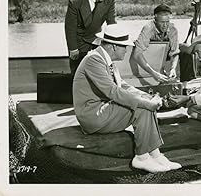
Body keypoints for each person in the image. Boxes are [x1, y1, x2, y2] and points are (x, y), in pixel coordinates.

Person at [73, 24, 181, 173]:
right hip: (92, 115)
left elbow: (123, 86)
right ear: (113, 47)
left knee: (145, 102)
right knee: (142, 107)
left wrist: (146, 96)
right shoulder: (94, 60)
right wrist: (144, 102)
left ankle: (155, 154)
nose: (127, 50)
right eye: (124, 46)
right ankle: (141, 158)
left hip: (104, 109)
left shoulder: (106, 60)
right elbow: (112, 91)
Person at [65, 0, 117, 75]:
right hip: (79, 41)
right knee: (77, 72)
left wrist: (114, 42)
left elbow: (111, 23)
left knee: (99, 71)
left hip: (97, 39)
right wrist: (73, 49)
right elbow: (70, 28)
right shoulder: (75, 2)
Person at [132, 4, 180, 83]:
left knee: (185, 51)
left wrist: (173, 69)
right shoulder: (148, 28)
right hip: (149, 56)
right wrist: (153, 73)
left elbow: (175, 52)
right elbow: (137, 54)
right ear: (155, 18)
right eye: (162, 22)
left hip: (164, 55)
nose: (165, 25)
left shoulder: (173, 29)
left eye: (167, 22)